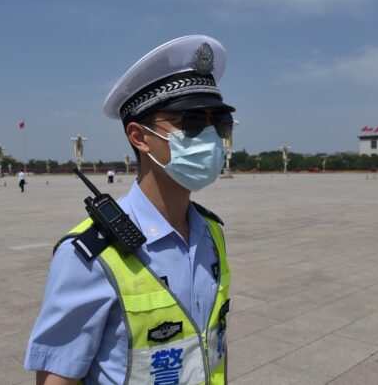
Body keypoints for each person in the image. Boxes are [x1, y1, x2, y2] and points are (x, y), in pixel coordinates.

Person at [25, 35, 235, 384]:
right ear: (139, 136)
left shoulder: (212, 235)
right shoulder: (91, 256)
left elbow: (215, 345)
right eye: (192, 122)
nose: (211, 136)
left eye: (220, 123)